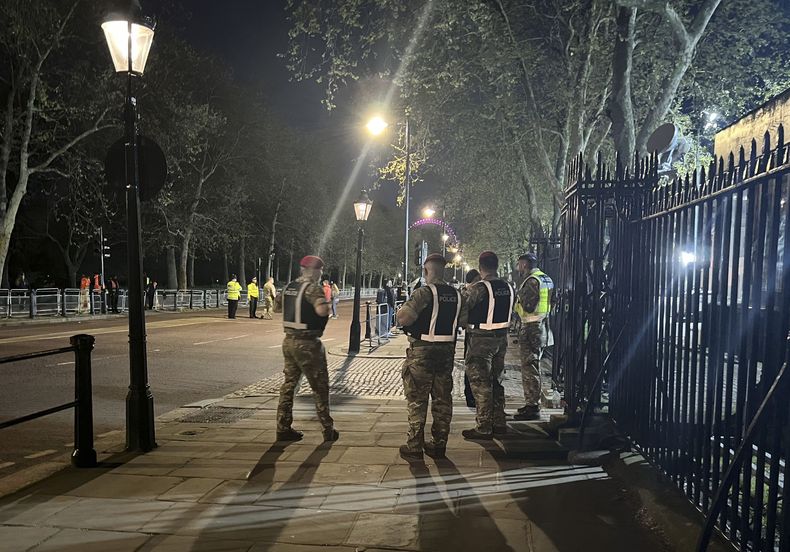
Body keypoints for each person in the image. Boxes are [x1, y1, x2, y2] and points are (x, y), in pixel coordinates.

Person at [396, 253, 466, 460]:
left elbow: (404, 318)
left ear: (427, 271)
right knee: (442, 397)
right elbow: (462, 322)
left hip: (422, 351)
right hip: (446, 352)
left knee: (417, 398)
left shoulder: (423, 293)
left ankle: (415, 444)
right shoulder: (457, 295)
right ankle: (439, 444)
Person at [274, 255, 339, 442]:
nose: (320, 274)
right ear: (314, 270)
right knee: (320, 387)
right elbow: (321, 310)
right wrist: (325, 305)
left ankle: (282, 427)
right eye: (320, 270)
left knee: (289, 385)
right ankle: (328, 429)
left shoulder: (289, 287)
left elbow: (278, 307)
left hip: (289, 341)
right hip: (308, 344)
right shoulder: (313, 288)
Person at [462, 251, 514, 440]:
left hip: (481, 339)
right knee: (496, 380)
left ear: (481, 266)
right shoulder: (508, 287)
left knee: (480, 383)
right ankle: (499, 421)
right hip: (502, 338)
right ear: (497, 265)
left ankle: (483, 426)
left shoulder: (480, 288)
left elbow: (463, 306)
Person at [512, 252, 555, 421]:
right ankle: (532, 403)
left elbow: (528, 306)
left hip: (531, 328)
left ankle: (532, 405)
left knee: (529, 367)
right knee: (534, 365)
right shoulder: (546, 279)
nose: (517, 268)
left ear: (524, 264)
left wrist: (519, 298)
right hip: (543, 326)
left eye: (518, 264)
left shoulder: (531, 281)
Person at [461, 269, 482, 408]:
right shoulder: (474, 291)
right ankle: (471, 397)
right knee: (472, 366)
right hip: (473, 333)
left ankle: (472, 397)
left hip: (473, 333)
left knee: (472, 365)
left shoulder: (470, 291)